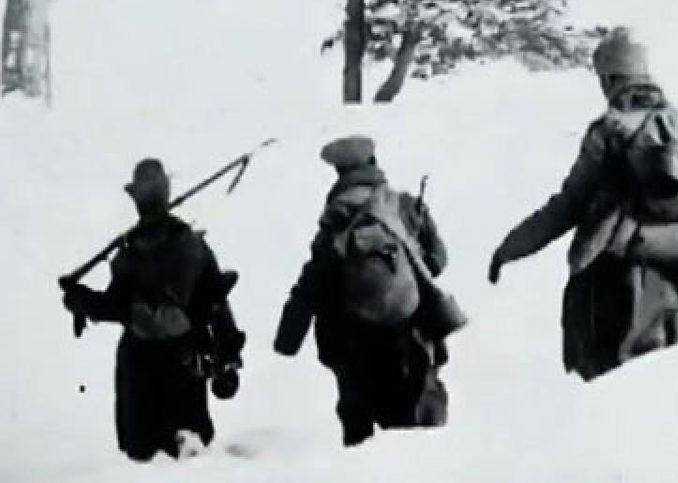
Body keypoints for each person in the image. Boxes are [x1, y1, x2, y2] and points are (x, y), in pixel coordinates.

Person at [489, 29, 678, 381]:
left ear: (612, 76)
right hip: (674, 270)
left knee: (613, 392)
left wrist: (510, 248)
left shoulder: (609, 130)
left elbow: (567, 206)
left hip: (615, 278)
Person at [274, 136, 460, 446]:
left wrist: (287, 339)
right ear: (374, 164)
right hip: (408, 332)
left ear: (338, 173)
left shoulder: (336, 220)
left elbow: (312, 285)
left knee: (359, 432)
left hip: (352, 344)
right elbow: (438, 260)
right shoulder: (405, 206)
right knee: (409, 430)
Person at [60, 158, 244, 461]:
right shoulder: (190, 244)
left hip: (140, 366)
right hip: (185, 362)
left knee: (146, 460)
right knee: (188, 457)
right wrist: (229, 359)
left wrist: (80, 299)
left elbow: (116, 306)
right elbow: (216, 302)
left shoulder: (131, 252)